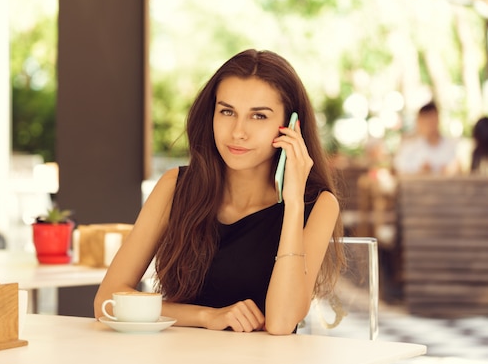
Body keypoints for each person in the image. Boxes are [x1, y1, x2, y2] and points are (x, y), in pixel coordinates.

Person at [94, 49, 345, 335]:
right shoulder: (176, 187)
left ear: (291, 127)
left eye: (258, 116)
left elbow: (281, 322)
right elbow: (107, 301)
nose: (238, 131)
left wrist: (293, 203)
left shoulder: (318, 205)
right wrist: (206, 316)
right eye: (227, 111)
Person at [393, 101, 458, 175]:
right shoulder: (409, 146)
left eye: (432, 119)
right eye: (426, 119)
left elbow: (457, 168)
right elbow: (399, 171)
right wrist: (420, 172)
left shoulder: (450, 145)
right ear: (420, 121)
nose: (430, 124)